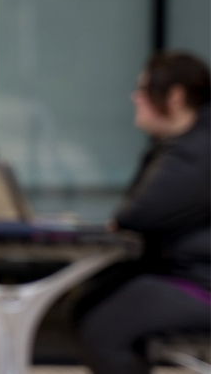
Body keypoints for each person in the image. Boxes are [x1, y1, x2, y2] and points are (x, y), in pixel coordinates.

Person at [76, 52, 210, 374]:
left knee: (103, 323)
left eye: (145, 90)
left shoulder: (194, 153)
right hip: (188, 275)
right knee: (90, 305)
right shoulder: (189, 145)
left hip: (200, 283)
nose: (135, 98)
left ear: (175, 97)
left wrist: (119, 222)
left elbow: (136, 216)